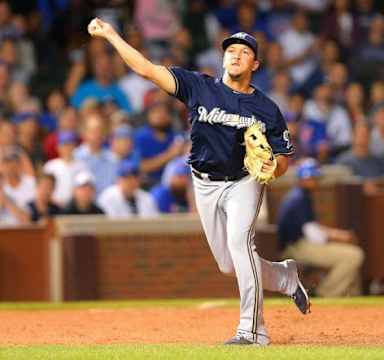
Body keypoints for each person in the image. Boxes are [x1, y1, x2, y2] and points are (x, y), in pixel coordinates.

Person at [88, 18, 309, 346]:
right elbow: (147, 69)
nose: (235, 55)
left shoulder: (266, 108)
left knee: (240, 245)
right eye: (230, 50)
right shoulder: (199, 86)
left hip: (243, 182)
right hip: (203, 182)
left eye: (244, 52)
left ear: (255, 64)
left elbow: (283, 159)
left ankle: (252, 331)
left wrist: (271, 168)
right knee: (228, 264)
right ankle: (284, 276)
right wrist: (111, 35)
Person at [277, 159, 364, 297]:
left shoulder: (299, 195)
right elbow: (313, 234)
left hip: (299, 244)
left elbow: (312, 228)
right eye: (312, 177)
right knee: (354, 256)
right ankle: (325, 293)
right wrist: (337, 237)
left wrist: (336, 235)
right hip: (297, 247)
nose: (315, 181)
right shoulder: (299, 198)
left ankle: (343, 295)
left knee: (352, 254)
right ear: (304, 178)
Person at [43, 131, 88, 206]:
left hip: (74, 207)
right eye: (64, 145)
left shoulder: (82, 166)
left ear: (74, 146)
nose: (67, 148)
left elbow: (84, 188)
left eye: (69, 144)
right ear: (58, 147)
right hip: (53, 205)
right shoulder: (50, 166)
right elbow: (45, 188)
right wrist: (53, 201)